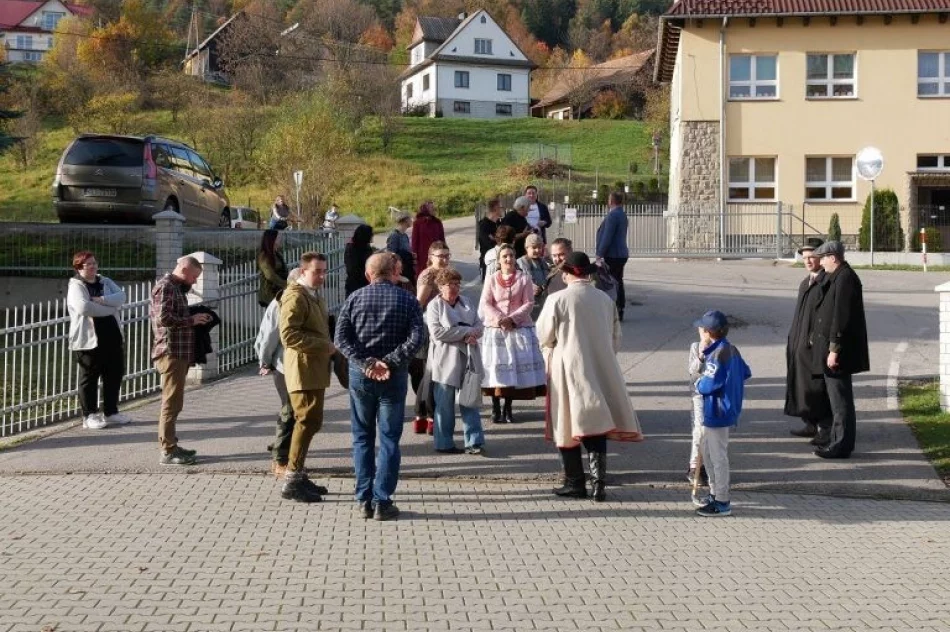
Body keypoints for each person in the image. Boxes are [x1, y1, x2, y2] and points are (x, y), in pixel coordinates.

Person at [536, 251, 643, 502]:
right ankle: (598, 482)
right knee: (596, 422)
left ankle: (575, 481)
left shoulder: (557, 299)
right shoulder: (604, 299)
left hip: (568, 366)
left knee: (567, 422)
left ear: (566, 275)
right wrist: (604, 356)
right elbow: (616, 337)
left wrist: (551, 351)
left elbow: (544, 334)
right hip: (600, 365)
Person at [336, 253, 426, 522]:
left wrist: (367, 362)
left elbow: (341, 339)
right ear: (395, 273)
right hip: (393, 377)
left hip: (361, 377)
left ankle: (363, 499)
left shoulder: (354, 298)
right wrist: (389, 361)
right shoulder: (408, 300)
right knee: (389, 439)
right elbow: (417, 338)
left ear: (368, 275)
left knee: (362, 437)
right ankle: (382, 500)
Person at [278, 252, 335, 502]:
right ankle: (292, 479)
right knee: (306, 420)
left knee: (312, 421)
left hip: (314, 368)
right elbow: (289, 335)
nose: (322, 276)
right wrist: (324, 346)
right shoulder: (295, 295)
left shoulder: (314, 295)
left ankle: (298, 473)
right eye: (316, 271)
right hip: (302, 369)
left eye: (324, 271)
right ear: (303, 272)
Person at [150, 256, 212, 465]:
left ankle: (171, 445)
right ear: (185, 269)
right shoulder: (166, 287)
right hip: (171, 353)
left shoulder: (176, 288)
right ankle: (168, 451)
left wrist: (195, 317)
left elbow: (172, 315)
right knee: (171, 403)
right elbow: (163, 318)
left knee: (175, 403)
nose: (194, 281)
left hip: (179, 352)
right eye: (194, 276)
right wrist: (191, 320)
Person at [811, 241, 869, 460]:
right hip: (833, 349)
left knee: (840, 401)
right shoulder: (836, 277)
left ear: (833, 257)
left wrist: (834, 349)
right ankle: (837, 441)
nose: (821, 262)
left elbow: (841, 318)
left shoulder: (845, 278)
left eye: (823, 258)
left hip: (838, 352)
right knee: (837, 400)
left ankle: (841, 446)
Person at [691, 310, 752, 517]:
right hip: (725, 408)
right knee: (708, 453)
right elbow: (746, 372)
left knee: (717, 457)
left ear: (709, 332)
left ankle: (722, 501)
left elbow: (708, 384)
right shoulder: (731, 349)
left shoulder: (717, 354)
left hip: (717, 410)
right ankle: (715, 493)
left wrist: (699, 383)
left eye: (703, 329)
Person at [479, 244, 546, 425]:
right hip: (496, 329)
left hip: (518, 328)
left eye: (511, 256)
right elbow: (485, 302)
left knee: (513, 370)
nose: (508, 259)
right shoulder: (492, 278)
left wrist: (513, 319)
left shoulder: (524, 278)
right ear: (499, 260)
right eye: (504, 256)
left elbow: (529, 303)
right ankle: (495, 407)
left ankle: (508, 408)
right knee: (496, 369)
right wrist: (500, 318)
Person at [67, 251, 130, 430]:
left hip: (112, 336)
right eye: (88, 264)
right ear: (79, 268)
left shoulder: (105, 281)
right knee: (90, 377)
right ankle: (89, 415)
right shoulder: (76, 286)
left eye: (94, 263)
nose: (93, 267)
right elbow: (84, 307)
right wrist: (110, 308)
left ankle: (111, 412)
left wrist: (101, 299)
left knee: (114, 374)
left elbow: (121, 297)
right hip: (89, 340)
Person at [426, 268, 485, 455]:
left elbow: (479, 325)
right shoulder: (435, 306)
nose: (454, 288)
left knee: (470, 401)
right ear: (440, 286)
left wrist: (472, 333)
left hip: (469, 357)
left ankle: (474, 441)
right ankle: (444, 443)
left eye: (457, 284)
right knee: (444, 404)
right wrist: (466, 332)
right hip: (445, 360)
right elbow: (438, 333)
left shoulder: (467, 302)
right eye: (449, 284)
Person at [255, 267, 303, 479]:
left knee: (296, 412)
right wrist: (265, 361)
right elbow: (268, 336)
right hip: (284, 365)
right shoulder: (280, 303)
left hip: (300, 365)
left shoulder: (310, 300)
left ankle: (285, 451)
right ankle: (280, 458)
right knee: (289, 411)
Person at [785, 238, 833, 446]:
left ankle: (825, 428)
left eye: (812, 256)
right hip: (799, 343)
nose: (807, 261)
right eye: (804, 257)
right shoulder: (806, 282)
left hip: (814, 346)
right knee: (802, 385)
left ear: (821, 257)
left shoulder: (826, 282)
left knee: (818, 387)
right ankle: (810, 423)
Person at [412, 241, 452, 434]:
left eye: (446, 255)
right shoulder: (429, 275)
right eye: (440, 256)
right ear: (430, 257)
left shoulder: (445, 273)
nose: (444, 259)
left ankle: (421, 416)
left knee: (432, 374)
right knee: (431, 374)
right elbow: (419, 303)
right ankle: (429, 416)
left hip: (441, 327)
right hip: (429, 328)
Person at [595, 191, 629, 321]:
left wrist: (599, 253)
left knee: (612, 283)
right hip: (621, 253)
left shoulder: (613, 215)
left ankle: (614, 309)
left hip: (613, 254)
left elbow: (607, 236)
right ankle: (620, 308)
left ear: (611, 201)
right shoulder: (622, 214)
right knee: (618, 281)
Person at [517, 234, 550, 320]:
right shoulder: (520, 263)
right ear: (526, 248)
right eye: (534, 247)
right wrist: (531, 287)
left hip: (543, 303)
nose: (537, 250)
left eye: (540, 247)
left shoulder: (544, 262)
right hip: (528, 305)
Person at [411, 201, 446, 280]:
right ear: (425, 209)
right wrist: (414, 256)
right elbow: (414, 240)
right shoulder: (417, 223)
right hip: (422, 255)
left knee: (437, 274)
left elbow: (442, 238)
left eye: (434, 207)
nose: (434, 209)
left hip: (437, 253)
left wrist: (444, 251)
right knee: (424, 275)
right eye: (431, 207)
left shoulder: (437, 222)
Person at [257, 229, 288, 308]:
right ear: (272, 240)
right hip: (270, 293)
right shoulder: (264, 256)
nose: (280, 239)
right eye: (278, 237)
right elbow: (270, 275)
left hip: (279, 291)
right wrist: (285, 284)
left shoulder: (276, 253)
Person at [344, 224, 375, 297]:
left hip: (367, 283)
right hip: (355, 285)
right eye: (371, 234)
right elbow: (351, 269)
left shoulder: (367, 248)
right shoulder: (351, 249)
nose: (372, 236)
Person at [477, 199, 503, 280]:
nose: (502, 209)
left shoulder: (499, 223)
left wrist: (495, 239)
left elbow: (505, 240)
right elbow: (488, 244)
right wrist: (498, 240)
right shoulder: (483, 225)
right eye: (501, 207)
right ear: (495, 209)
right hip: (489, 262)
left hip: (501, 261)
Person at [386, 211, 415, 281]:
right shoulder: (394, 235)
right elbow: (391, 254)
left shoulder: (405, 235)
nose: (412, 220)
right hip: (400, 271)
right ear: (405, 220)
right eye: (410, 218)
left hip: (407, 268)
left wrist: (410, 254)